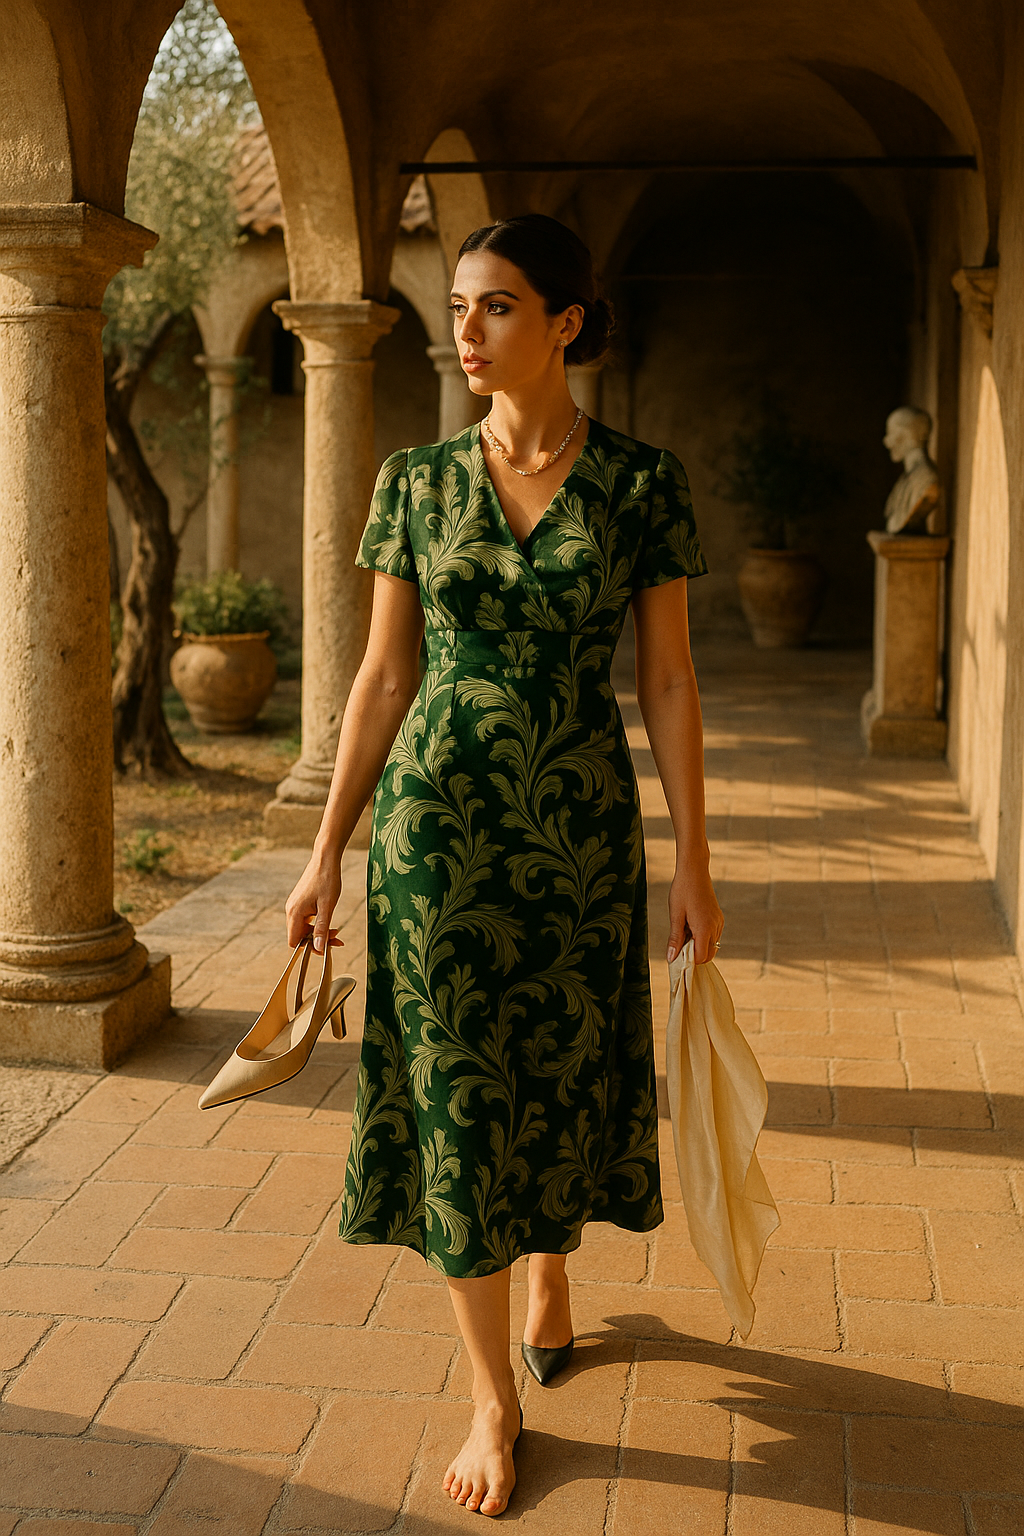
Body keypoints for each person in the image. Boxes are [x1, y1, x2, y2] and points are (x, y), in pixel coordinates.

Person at [284, 213, 724, 1518]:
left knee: (560, 1068)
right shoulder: (414, 484)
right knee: (461, 1096)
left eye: (496, 308)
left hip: (583, 833)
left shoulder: (644, 484)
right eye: (460, 308)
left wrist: (697, 868)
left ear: (567, 323)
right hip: (436, 838)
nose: (465, 333)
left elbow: (668, 679)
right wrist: (323, 858)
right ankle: (490, 1397)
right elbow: (378, 679)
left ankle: (550, 1268)